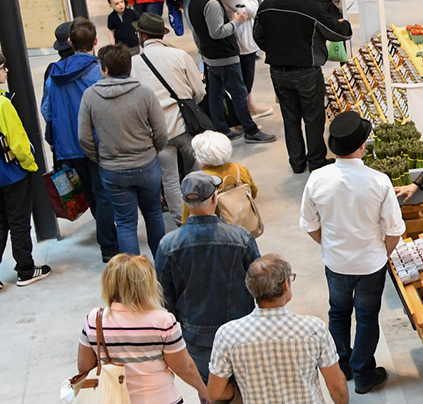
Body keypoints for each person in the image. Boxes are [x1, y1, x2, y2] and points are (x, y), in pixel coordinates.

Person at [300, 112, 404, 393]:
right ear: (363, 145)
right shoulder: (378, 181)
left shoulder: (318, 178)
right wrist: (381, 253)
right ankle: (364, 372)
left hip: (336, 262)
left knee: (338, 312)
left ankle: (342, 365)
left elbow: (309, 224)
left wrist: (329, 244)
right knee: (367, 317)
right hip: (370, 264)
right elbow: (394, 230)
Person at [156, 171, 261, 382]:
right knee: (246, 386)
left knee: (209, 389)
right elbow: (259, 283)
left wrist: (182, 319)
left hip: (197, 334)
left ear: (185, 201)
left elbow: (164, 292)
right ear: (214, 198)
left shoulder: (168, 245)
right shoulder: (241, 237)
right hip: (240, 329)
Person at [207, 254, 350, 404]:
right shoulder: (314, 329)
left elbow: (215, 393)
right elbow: (337, 386)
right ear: (285, 285)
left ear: (250, 288)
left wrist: (240, 391)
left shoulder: (228, 334)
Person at [254, 0, 352, 174]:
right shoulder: (310, 7)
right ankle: (316, 161)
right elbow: (337, 33)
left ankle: (297, 162)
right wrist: (344, 23)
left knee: (290, 117)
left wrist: (275, 50)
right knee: (313, 117)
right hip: (306, 71)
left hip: (278, 71)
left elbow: (258, 36)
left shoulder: (267, 5)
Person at [0, 49, 51, 290]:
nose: (6, 71)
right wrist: (30, 164)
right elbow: (18, 141)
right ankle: (26, 270)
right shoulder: (0, 103)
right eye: (2, 68)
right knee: (19, 222)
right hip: (11, 173)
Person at [78, 254, 209, 403]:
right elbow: (184, 368)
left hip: (112, 399)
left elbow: (84, 368)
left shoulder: (95, 320)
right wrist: (203, 390)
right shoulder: (162, 322)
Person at [78, 44, 168, 257]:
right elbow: (161, 133)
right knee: (154, 214)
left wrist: (100, 158)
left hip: (112, 169)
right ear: (129, 67)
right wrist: (152, 151)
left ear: (105, 69)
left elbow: (84, 137)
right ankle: (163, 265)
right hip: (146, 165)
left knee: (125, 223)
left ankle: (133, 274)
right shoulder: (144, 93)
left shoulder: (90, 96)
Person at [42, 18, 118, 262]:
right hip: (98, 142)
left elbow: (47, 110)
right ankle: (109, 245)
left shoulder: (53, 74)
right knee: (104, 193)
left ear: (69, 42)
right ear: (95, 41)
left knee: (92, 192)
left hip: (69, 146)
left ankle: (106, 236)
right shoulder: (99, 70)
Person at [188, 0, 276, 145]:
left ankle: (221, 128)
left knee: (215, 93)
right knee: (238, 93)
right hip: (224, 56)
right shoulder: (211, 3)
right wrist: (237, 21)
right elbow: (217, 32)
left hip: (211, 57)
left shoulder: (195, 0)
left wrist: (203, 51)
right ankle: (250, 130)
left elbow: (197, 32)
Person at [130, 12, 203, 228]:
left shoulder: (134, 63)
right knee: (194, 171)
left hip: (156, 130)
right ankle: (201, 213)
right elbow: (199, 91)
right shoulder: (180, 55)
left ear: (142, 35)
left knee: (169, 179)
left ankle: (182, 222)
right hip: (184, 124)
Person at [216, 0, 272, 117]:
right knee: (244, 79)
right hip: (241, 41)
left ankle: (250, 106)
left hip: (246, 38)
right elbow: (252, 11)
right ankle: (243, 114)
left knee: (247, 78)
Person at [185, 131, 257, 223]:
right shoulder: (239, 169)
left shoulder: (197, 182)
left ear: (201, 157)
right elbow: (253, 192)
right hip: (244, 223)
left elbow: (187, 217)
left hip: (215, 228)